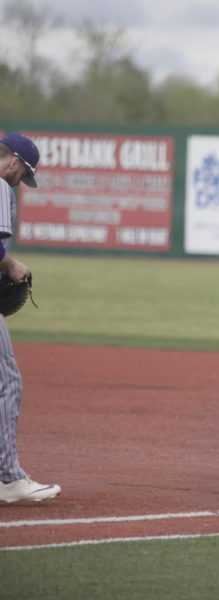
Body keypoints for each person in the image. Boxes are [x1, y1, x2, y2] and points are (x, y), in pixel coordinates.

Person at [0, 133, 61, 504]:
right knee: (7, 381)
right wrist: (12, 266)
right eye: (24, 174)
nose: (21, 182)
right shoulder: (0, 187)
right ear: (13, 162)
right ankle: (9, 478)